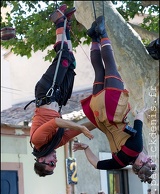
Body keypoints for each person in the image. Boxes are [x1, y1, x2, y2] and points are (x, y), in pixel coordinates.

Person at [73, 15, 156, 184]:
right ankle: (94, 38)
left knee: (110, 65)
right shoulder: (120, 162)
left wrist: (145, 108)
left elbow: (139, 119)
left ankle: (103, 33)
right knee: (99, 72)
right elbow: (96, 164)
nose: (148, 155)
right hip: (99, 113)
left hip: (113, 108)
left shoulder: (137, 147)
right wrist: (86, 148)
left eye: (148, 159)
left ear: (141, 162)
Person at [29, 4, 94, 177]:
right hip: (57, 97)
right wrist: (101, 122)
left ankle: (59, 22)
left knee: (64, 57)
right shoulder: (56, 143)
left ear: (41, 160)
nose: (55, 161)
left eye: (51, 163)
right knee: (71, 64)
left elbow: (57, 123)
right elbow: (79, 128)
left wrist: (79, 128)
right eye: (55, 165)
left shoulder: (38, 141)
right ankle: (66, 26)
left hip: (46, 93)